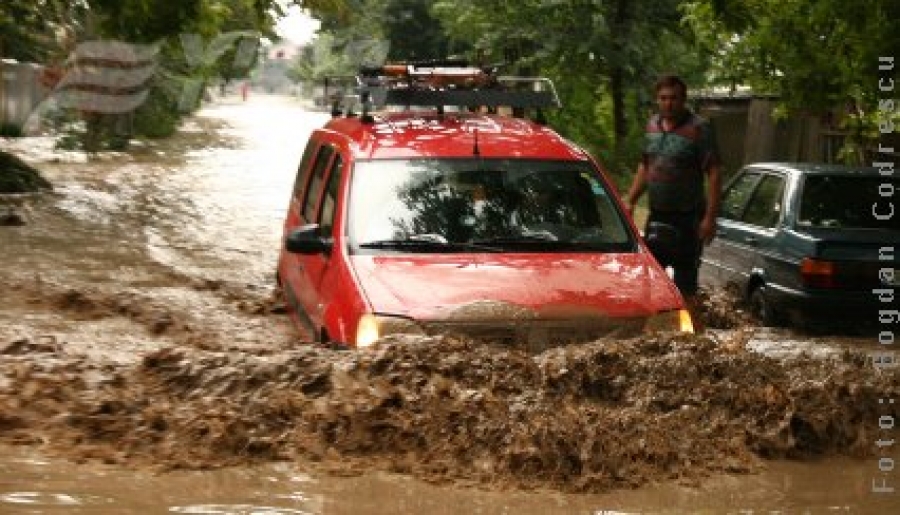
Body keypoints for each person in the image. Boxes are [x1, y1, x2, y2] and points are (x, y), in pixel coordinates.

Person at [624, 74, 721, 330]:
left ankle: (697, 340)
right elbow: (646, 165)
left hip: (689, 217)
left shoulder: (699, 129)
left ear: (683, 99)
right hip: (657, 215)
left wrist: (710, 218)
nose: (668, 104)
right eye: (663, 98)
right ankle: (650, 335)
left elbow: (713, 173)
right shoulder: (652, 126)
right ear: (657, 100)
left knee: (687, 285)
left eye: (674, 98)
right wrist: (631, 199)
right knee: (650, 280)